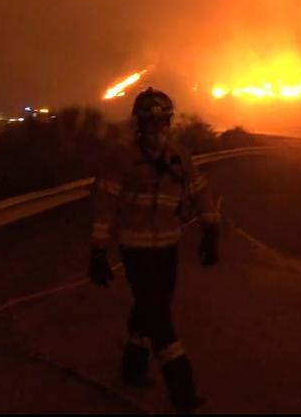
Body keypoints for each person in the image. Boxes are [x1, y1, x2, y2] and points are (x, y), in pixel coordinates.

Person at [88, 86, 220, 414]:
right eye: (149, 123)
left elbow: (200, 192)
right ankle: (183, 393)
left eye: (160, 123)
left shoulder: (180, 158)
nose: (155, 130)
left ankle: (132, 367)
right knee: (161, 320)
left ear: (168, 123)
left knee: (148, 307)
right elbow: (104, 206)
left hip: (167, 249)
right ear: (139, 124)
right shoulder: (121, 160)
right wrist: (98, 251)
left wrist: (211, 230)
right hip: (136, 252)